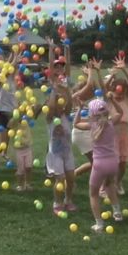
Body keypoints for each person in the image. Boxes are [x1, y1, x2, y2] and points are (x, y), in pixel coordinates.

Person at [75, 96, 124, 232]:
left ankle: (99, 224)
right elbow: (120, 113)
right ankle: (117, 213)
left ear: (92, 114)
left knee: (93, 194)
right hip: (113, 163)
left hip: (99, 165)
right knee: (109, 186)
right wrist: (114, 100)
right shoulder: (111, 123)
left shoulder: (92, 125)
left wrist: (79, 108)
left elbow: (76, 124)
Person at [105, 54, 128, 195]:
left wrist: (124, 69)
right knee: (112, 162)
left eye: (122, 88)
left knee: (123, 164)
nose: (120, 90)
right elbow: (105, 86)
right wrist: (112, 75)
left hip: (124, 133)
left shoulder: (126, 99)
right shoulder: (110, 98)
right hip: (111, 134)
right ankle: (110, 183)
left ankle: (118, 182)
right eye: (118, 87)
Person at [46, 81, 76, 215]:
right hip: (56, 154)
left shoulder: (65, 115)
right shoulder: (50, 118)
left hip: (67, 153)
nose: (60, 105)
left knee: (70, 178)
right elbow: (51, 107)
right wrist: (54, 91)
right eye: (58, 103)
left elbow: (69, 103)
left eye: (61, 103)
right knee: (60, 179)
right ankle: (57, 202)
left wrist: (67, 90)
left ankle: (68, 200)